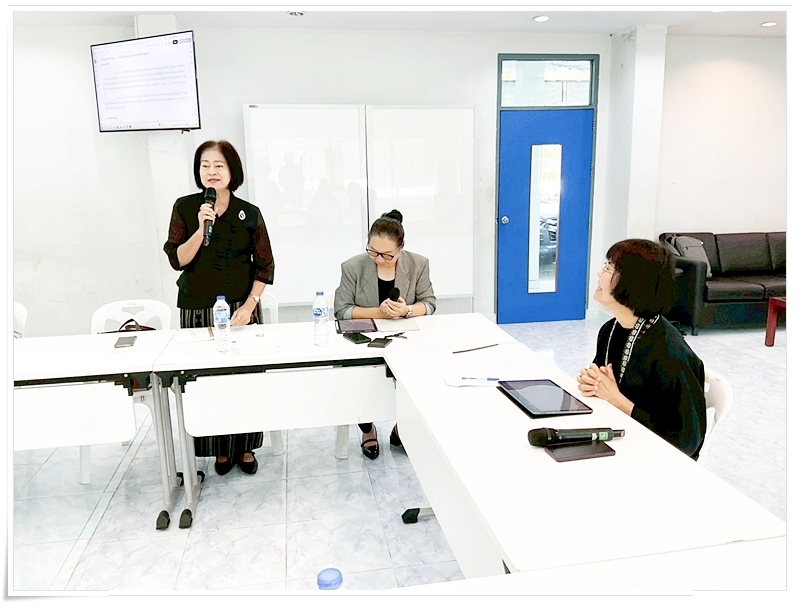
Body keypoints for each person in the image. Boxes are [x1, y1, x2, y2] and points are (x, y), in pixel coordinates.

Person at [163, 140, 275, 476]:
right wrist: (201, 228)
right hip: (197, 309)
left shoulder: (249, 212)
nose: (211, 171)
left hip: (240, 309)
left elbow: (265, 265)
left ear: (232, 171)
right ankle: (218, 449)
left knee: (244, 379)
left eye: (218, 165)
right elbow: (178, 259)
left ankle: (245, 446)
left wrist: (251, 305)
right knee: (205, 381)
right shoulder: (185, 207)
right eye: (205, 165)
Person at [577, 238, 707, 460]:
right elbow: (602, 382)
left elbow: (685, 441)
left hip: (657, 458)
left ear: (632, 281)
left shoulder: (670, 354)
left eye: (608, 269)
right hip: (617, 437)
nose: (599, 274)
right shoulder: (610, 329)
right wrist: (591, 381)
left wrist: (617, 399)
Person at [334, 209, 436, 459]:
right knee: (357, 375)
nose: (379, 259)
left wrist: (407, 310)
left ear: (401, 247)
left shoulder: (418, 264)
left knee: (423, 371)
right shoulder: (352, 267)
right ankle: (367, 428)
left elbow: (430, 304)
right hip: (365, 343)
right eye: (373, 252)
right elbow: (341, 311)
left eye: (387, 255)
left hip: (406, 340)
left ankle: (402, 426)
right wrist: (377, 313)